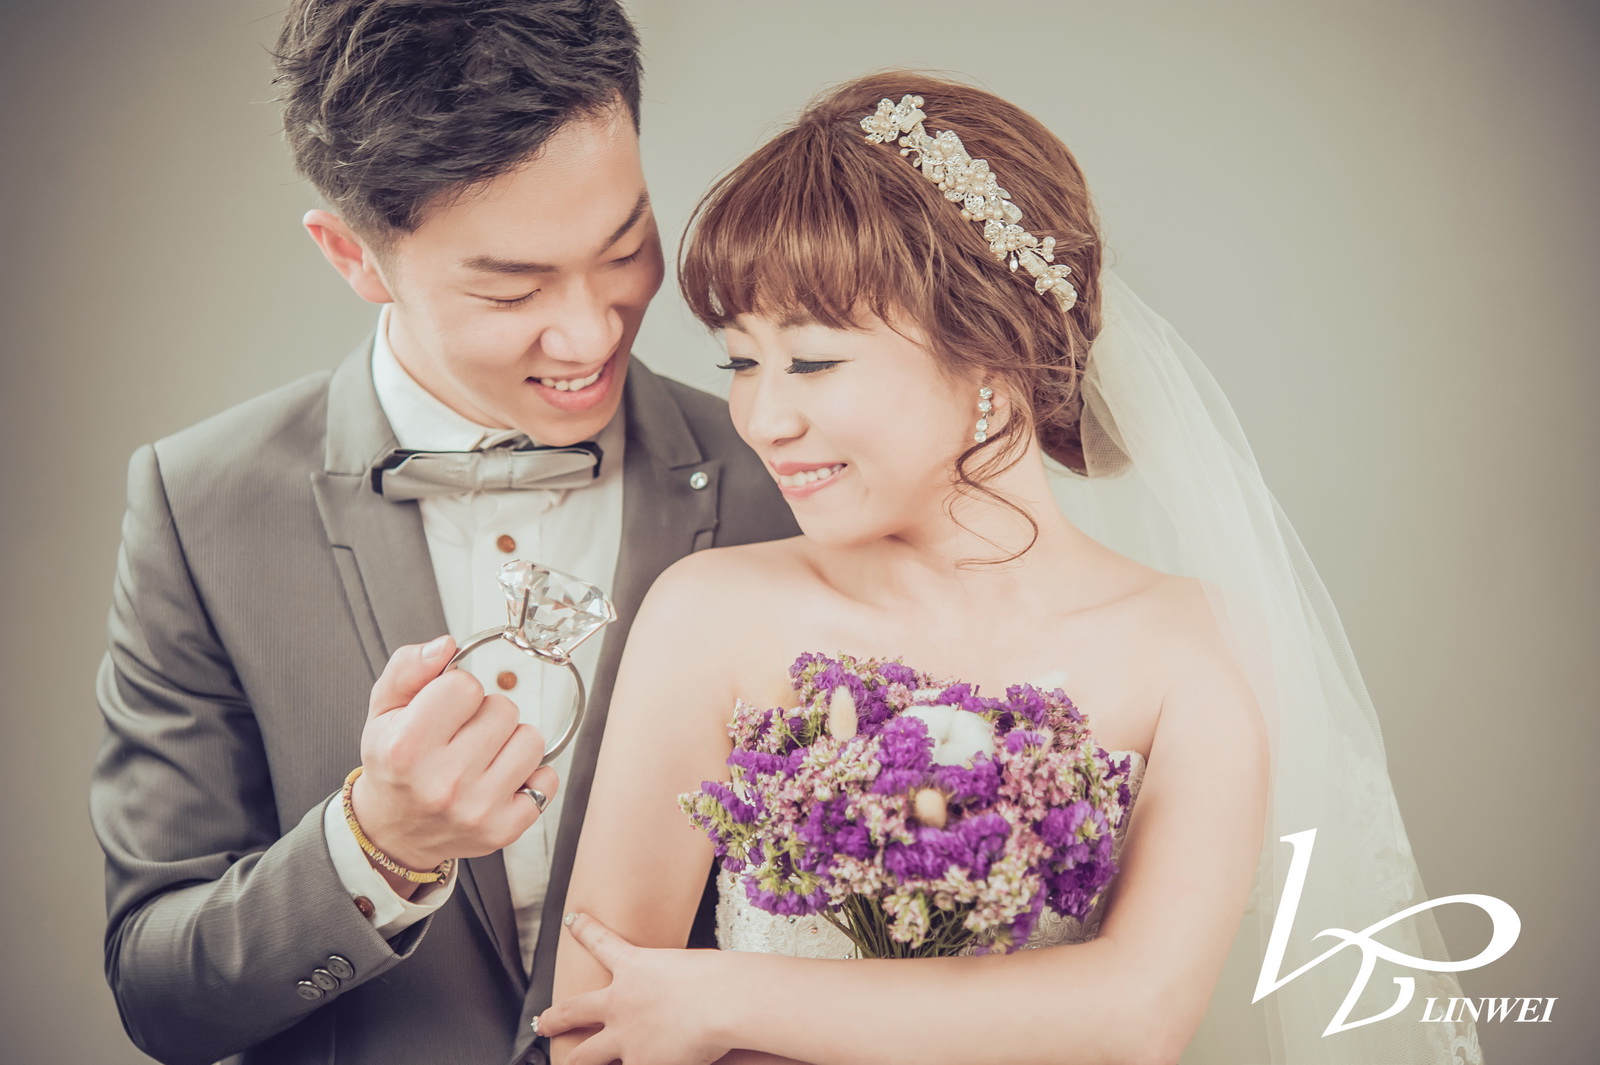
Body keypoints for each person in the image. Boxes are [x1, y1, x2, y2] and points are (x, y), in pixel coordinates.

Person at [539, 73, 1484, 1064]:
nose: (763, 419)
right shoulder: (710, 613)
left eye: (811, 361)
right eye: (741, 362)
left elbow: (1138, 1011)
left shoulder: (1196, 650)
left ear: (991, 354)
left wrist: (726, 997)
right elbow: (595, 1025)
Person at [88, 2, 795, 1064]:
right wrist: (377, 843)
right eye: (511, 288)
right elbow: (162, 997)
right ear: (352, 256)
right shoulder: (200, 507)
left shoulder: (782, 477)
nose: (590, 332)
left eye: (625, 248)